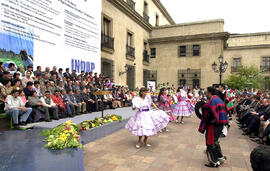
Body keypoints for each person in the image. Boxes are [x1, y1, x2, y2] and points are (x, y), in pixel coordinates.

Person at [197, 87, 228, 168]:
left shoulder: (212, 101)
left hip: (214, 125)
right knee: (215, 141)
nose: (206, 94)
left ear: (210, 92)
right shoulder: (218, 99)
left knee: (210, 143)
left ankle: (214, 161)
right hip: (220, 124)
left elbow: (213, 114)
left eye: (206, 92)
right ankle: (220, 157)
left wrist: (210, 121)